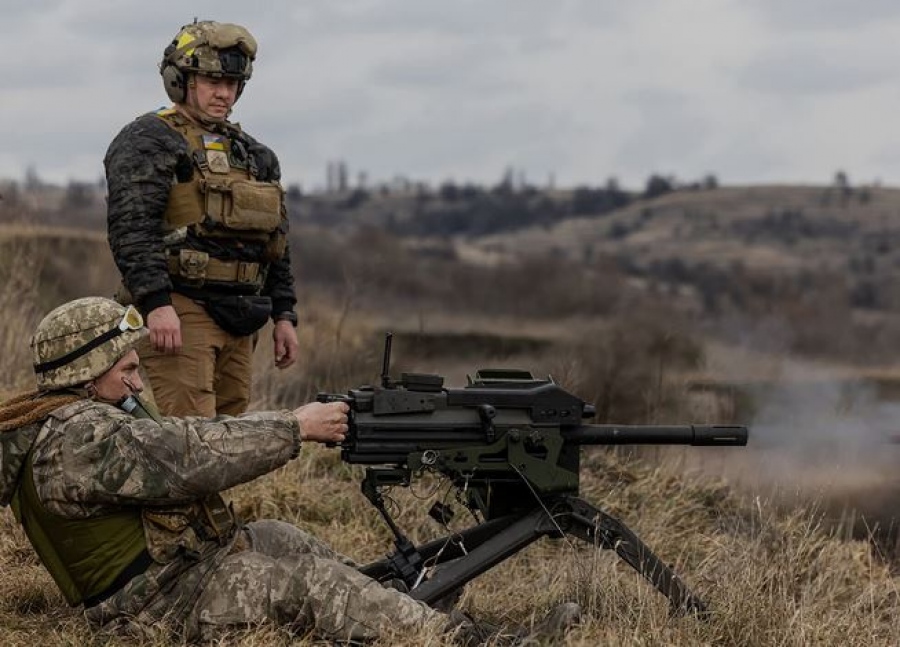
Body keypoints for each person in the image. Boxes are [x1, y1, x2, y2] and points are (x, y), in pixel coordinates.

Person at [0, 297, 581, 644]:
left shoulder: (75, 421)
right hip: (151, 605)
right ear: (87, 370)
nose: (135, 380)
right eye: (125, 368)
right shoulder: (75, 439)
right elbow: (188, 455)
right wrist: (294, 426)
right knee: (309, 584)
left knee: (283, 538)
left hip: (180, 569)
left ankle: (398, 612)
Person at [104, 19, 298, 418]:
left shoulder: (254, 154)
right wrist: (156, 304)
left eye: (232, 84)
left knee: (231, 439)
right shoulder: (149, 139)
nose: (223, 93)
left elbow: (276, 243)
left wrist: (284, 314)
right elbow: (131, 228)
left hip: (242, 314)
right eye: (212, 81)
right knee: (191, 440)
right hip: (181, 306)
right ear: (182, 80)